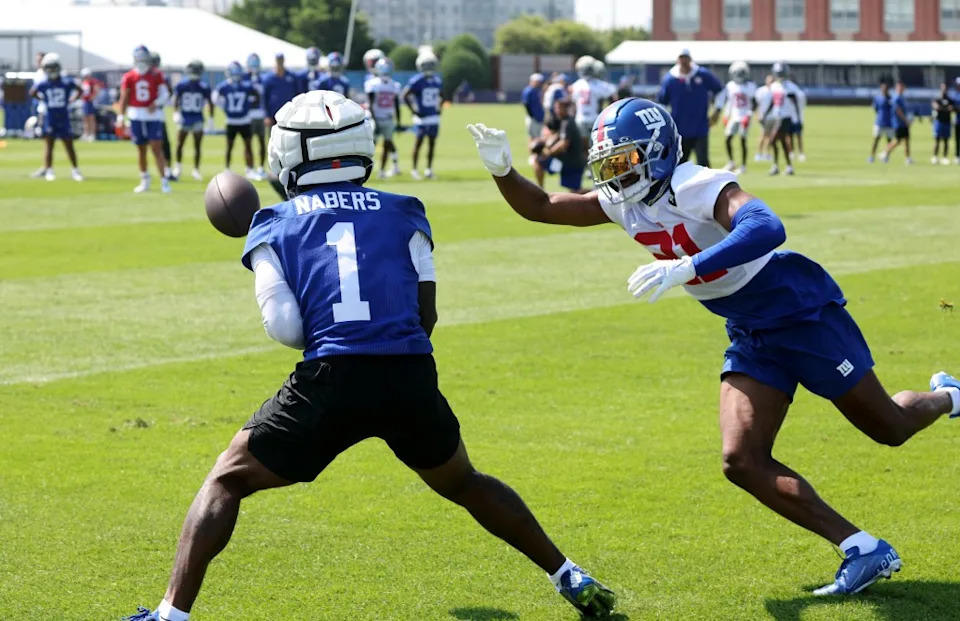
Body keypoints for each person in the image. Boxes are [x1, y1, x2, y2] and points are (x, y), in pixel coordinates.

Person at [122, 90, 616, 621]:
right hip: (409, 373)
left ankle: (171, 616)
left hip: (332, 376)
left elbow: (285, 327)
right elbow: (425, 318)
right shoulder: (406, 210)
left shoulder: (273, 221)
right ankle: (570, 575)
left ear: (288, 151)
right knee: (465, 483)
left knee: (227, 479)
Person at [467, 96, 960, 598]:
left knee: (889, 428)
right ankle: (862, 548)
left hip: (797, 310)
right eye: (609, 164)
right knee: (741, 459)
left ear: (657, 153)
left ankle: (948, 396)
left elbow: (767, 226)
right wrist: (502, 169)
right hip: (748, 326)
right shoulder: (624, 201)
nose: (616, 175)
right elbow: (543, 206)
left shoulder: (694, 183)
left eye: (625, 160)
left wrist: (689, 267)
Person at [118, 45, 171, 194]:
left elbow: (165, 94)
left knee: (156, 149)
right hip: (136, 115)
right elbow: (124, 97)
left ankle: (164, 181)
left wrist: (157, 103)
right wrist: (121, 117)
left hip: (153, 116)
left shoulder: (156, 74)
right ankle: (144, 180)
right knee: (141, 150)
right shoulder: (129, 76)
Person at [658, 48, 722, 167]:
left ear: (690, 59)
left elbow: (720, 90)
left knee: (703, 163)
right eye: (681, 59)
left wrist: (717, 110)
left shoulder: (702, 75)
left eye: (686, 58)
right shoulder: (670, 79)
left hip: (700, 126)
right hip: (679, 129)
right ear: (677, 60)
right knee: (679, 164)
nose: (684, 62)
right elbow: (662, 103)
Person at [29, 53, 83, 182]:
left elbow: (79, 89)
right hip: (50, 116)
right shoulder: (44, 83)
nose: (52, 70)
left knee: (69, 144)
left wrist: (72, 100)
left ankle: (75, 170)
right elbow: (32, 92)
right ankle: (49, 171)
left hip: (63, 116)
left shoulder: (66, 81)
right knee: (49, 145)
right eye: (49, 68)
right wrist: (42, 99)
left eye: (53, 68)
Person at [402, 50, 442, 180]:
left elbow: (442, 95)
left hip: (433, 117)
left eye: (431, 64)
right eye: (426, 65)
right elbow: (405, 95)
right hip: (422, 118)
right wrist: (413, 110)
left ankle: (429, 170)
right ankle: (414, 170)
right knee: (418, 144)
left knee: (432, 144)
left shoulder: (437, 80)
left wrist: (439, 108)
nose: (429, 67)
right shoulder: (417, 80)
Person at [214, 61, 257, 179]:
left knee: (246, 146)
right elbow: (216, 98)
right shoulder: (229, 86)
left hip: (242, 120)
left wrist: (225, 107)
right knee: (232, 146)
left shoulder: (243, 86)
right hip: (233, 120)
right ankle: (229, 168)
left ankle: (248, 168)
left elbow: (215, 99)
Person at [531, 97, 584, 191]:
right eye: (556, 108)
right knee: (537, 160)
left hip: (571, 164)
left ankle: (596, 195)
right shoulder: (563, 121)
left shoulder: (568, 122)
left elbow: (563, 144)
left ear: (566, 109)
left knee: (576, 193)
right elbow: (556, 135)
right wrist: (544, 141)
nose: (556, 110)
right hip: (565, 163)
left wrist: (548, 152)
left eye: (559, 108)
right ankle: (540, 190)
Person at [172, 59, 213, 181]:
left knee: (197, 145)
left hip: (197, 117)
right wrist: (176, 112)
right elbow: (176, 99)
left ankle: (196, 169)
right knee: (180, 144)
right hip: (184, 117)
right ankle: (178, 167)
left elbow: (210, 103)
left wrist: (211, 118)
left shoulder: (203, 86)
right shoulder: (182, 85)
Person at [714, 61, 756, 174]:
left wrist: (749, 115)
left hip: (744, 116)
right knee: (728, 139)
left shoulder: (750, 86)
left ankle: (743, 165)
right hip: (734, 116)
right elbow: (730, 102)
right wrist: (726, 116)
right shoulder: (730, 86)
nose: (739, 75)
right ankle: (731, 162)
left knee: (743, 140)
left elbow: (753, 103)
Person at [570, 56, 617, 154]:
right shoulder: (600, 85)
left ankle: (587, 165)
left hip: (580, 119)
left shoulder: (576, 85)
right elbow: (613, 98)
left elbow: (572, 103)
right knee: (597, 146)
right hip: (596, 119)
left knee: (584, 146)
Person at [366, 57, 403, 178]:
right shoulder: (375, 84)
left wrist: (398, 121)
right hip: (378, 118)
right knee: (371, 147)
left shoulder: (394, 85)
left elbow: (396, 105)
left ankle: (381, 171)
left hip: (386, 118)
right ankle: (368, 169)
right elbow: (371, 104)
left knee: (386, 145)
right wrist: (375, 120)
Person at [766, 64, 797, 176]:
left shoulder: (790, 86)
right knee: (783, 142)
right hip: (776, 116)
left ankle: (776, 166)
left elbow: (795, 102)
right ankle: (787, 166)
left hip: (785, 117)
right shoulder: (774, 86)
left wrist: (797, 117)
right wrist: (765, 113)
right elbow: (773, 101)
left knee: (773, 140)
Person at [150, 52, 175, 180]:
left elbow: (169, 92)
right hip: (149, 114)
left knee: (163, 144)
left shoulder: (161, 77)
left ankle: (167, 170)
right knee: (153, 145)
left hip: (158, 113)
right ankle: (163, 171)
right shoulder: (146, 76)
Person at [262, 53, 300, 129]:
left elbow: (298, 94)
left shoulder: (292, 76)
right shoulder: (269, 78)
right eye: (278, 60)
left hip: (290, 113)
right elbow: (264, 98)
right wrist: (266, 115)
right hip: (274, 114)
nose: (279, 62)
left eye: (281, 60)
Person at [246, 53, 268, 179]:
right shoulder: (244, 78)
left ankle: (260, 167)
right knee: (248, 142)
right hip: (248, 115)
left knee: (261, 141)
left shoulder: (263, 78)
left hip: (260, 114)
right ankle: (249, 167)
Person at [881, 80, 912, 165]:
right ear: (896, 88)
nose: (901, 88)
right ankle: (885, 153)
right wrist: (906, 120)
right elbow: (898, 110)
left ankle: (908, 158)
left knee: (906, 140)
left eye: (902, 87)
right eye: (899, 87)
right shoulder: (897, 98)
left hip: (903, 122)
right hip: (899, 123)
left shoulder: (901, 97)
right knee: (898, 140)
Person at [868, 79, 895, 163]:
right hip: (879, 122)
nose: (884, 90)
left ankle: (886, 156)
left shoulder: (891, 98)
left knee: (889, 141)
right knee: (876, 140)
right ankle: (871, 156)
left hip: (889, 123)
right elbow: (875, 109)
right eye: (883, 88)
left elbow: (894, 110)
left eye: (886, 88)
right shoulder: (877, 98)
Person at [931, 82, 953, 166]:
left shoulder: (950, 99)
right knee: (937, 140)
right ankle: (935, 157)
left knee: (946, 141)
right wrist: (945, 109)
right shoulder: (937, 99)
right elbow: (936, 107)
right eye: (943, 87)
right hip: (938, 122)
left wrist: (943, 109)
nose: (944, 89)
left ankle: (945, 157)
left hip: (947, 122)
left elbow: (951, 108)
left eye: (945, 88)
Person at [753, 75, 774, 163]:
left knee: (769, 136)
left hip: (771, 117)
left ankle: (766, 153)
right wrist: (757, 114)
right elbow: (756, 103)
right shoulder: (761, 91)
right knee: (763, 135)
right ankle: (759, 153)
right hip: (763, 116)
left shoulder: (774, 91)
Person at [521, 73, 545, 150]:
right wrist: (531, 115)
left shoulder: (537, 90)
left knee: (539, 136)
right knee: (532, 136)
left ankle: (538, 152)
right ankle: (532, 152)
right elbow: (526, 104)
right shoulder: (528, 90)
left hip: (540, 116)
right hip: (533, 117)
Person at [79, 68, 102, 142]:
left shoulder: (93, 82)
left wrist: (92, 97)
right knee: (85, 119)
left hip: (90, 102)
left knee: (91, 118)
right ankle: (86, 134)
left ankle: (92, 134)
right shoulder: (84, 82)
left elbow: (97, 90)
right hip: (84, 102)